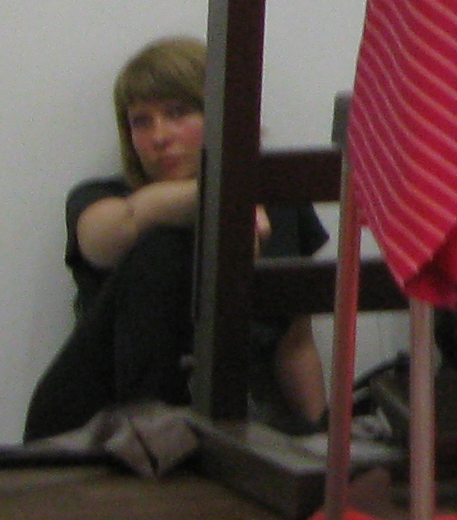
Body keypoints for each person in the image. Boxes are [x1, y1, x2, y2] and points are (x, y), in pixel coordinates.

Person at [22, 38, 327, 442]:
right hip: (102, 425)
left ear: (219, 112)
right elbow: (108, 235)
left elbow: (296, 345)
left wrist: (322, 441)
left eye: (177, 112)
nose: (159, 136)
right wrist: (225, 198)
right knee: (161, 247)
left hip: (237, 423)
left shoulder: (281, 204)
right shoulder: (103, 198)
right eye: (141, 121)